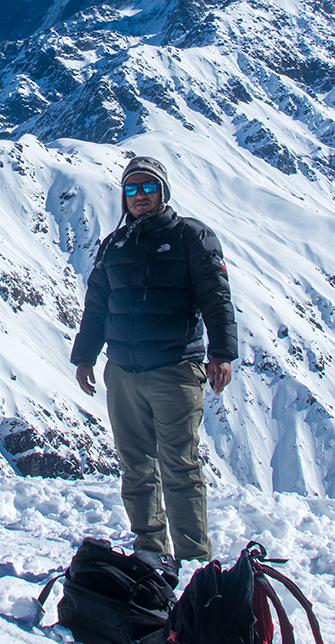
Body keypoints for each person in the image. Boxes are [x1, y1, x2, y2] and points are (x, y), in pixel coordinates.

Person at [70, 155, 238, 562]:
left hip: (175, 369)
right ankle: (150, 552)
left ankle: (194, 558)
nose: (140, 196)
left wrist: (221, 353)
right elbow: (97, 305)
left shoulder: (191, 237)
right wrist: (85, 356)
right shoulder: (114, 244)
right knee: (136, 468)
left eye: (148, 187)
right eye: (132, 188)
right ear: (124, 196)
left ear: (163, 192)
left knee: (180, 467)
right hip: (123, 372)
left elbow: (216, 296)